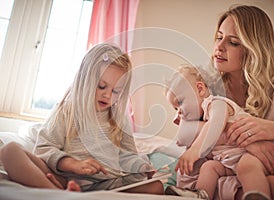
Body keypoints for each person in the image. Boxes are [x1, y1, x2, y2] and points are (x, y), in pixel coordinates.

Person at [167, 4, 274, 200]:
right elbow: (184, 132)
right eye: (219, 37)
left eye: (233, 42)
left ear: (254, 49)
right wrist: (249, 142)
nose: (219, 48)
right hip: (214, 178)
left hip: (258, 176)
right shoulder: (207, 87)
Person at [0, 43, 164, 194]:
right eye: (101, 86)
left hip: (108, 184)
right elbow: (43, 148)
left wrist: (140, 167)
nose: (107, 95)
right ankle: (59, 194)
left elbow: (128, 156)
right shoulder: (67, 110)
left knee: (156, 188)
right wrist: (72, 164)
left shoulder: (119, 118)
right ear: (84, 79)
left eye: (116, 91)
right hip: (66, 179)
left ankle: (65, 195)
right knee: (10, 151)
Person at [164, 64, 274, 200]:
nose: (178, 111)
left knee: (246, 166)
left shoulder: (217, 103)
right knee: (209, 167)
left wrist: (195, 150)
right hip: (232, 160)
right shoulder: (203, 114)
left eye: (180, 102)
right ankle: (201, 194)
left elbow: (215, 125)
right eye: (175, 108)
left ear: (200, 88)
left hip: (261, 155)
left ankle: (257, 195)